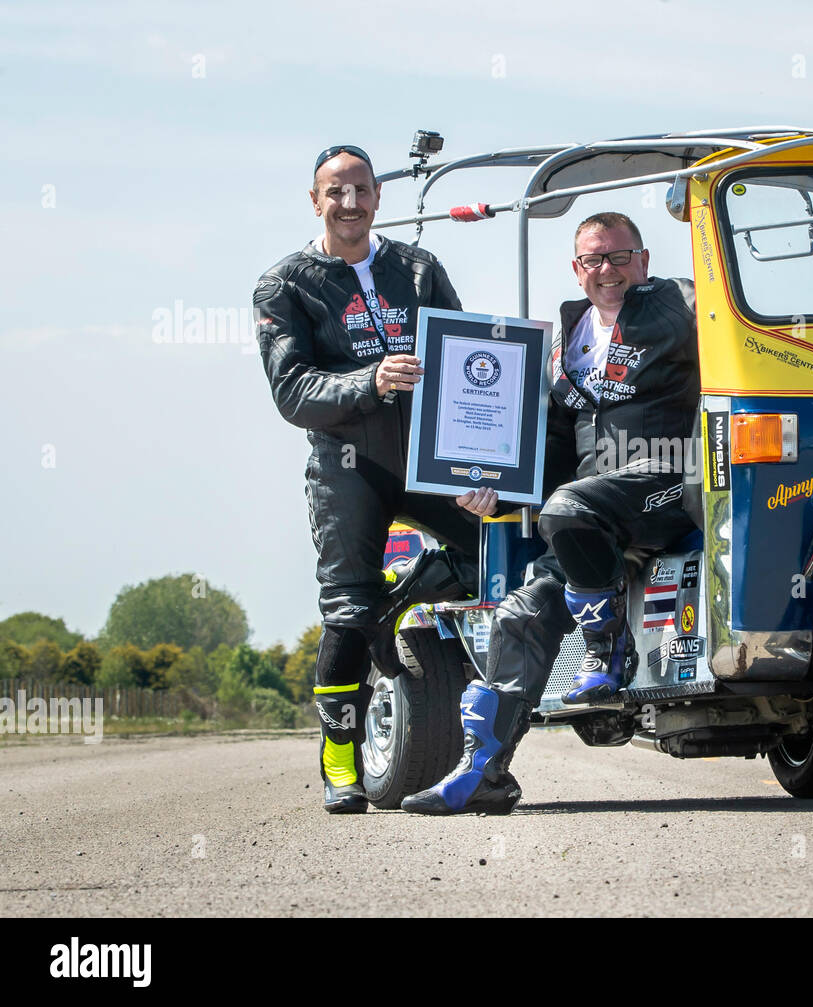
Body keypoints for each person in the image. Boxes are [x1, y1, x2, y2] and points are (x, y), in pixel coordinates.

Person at [401, 211, 700, 816]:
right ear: (576, 268)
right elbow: (555, 447)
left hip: (671, 482)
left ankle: (604, 655)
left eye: (619, 257)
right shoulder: (567, 338)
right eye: (594, 259)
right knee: (519, 615)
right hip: (587, 510)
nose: (607, 271)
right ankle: (483, 773)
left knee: (566, 509)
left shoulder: (685, 307)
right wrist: (499, 490)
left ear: (643, 260)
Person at [254, 144, 494, 815]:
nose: (350, 202)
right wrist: (371, 378)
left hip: (430, 461)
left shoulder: (417, 270)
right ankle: (339, 756)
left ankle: (401, 600)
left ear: (378, 197)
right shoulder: (284, 284)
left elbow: (470, 361)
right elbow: (293, 390)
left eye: (361, 189)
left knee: (497, 558)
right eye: (336, 192)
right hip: (346, 467)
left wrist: (484, 463)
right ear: (315, 201)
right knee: (348, 610)